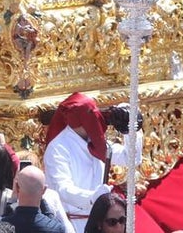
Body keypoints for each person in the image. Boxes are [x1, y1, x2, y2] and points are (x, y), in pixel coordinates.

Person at [42, 93, 141, 233]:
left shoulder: (96, 142)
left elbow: (131, 158)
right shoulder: (58, 148)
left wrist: (131, 129)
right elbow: (62, 189)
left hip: (104, 223)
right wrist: (91, 197)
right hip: (74, 224)